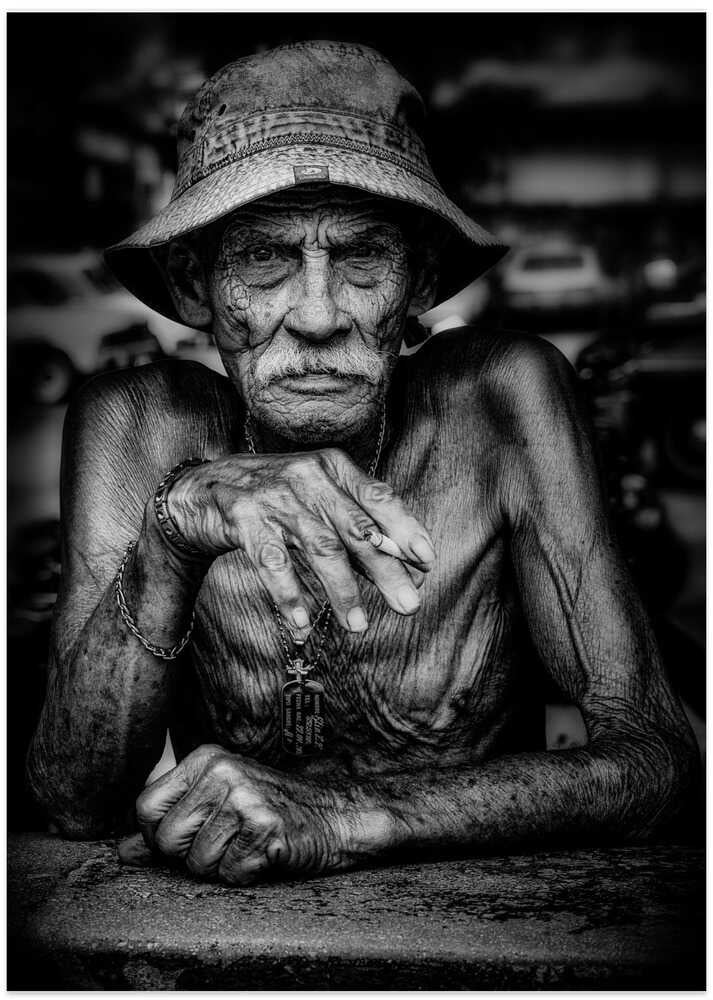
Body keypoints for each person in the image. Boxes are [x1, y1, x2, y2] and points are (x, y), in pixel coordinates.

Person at [27, 41, 698, 886]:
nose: (316, 314)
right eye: (264, 257)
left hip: (484, 924)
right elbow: (74, 800)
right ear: (195, 285)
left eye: (361, 258)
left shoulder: (501, 402)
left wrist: (346, 817)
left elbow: (659, 761)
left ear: (417, 283)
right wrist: (172, 532)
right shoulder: (139, 425)